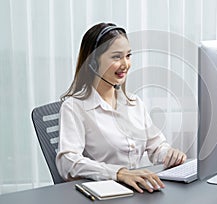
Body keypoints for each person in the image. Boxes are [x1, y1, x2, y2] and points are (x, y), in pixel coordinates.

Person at [55, 22, 186, 193]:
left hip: (137, 192)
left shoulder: (134, 103)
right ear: (93, 62)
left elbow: (156, 146)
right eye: (116, 57)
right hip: (102, 195)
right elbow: (68, 162)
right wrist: (119, 173)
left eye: (128, 56)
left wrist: (169, 154)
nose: (125, 64)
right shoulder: (74, 107)